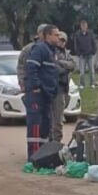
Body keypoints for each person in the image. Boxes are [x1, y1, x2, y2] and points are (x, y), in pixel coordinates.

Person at [24, 25, 60, 159]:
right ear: (48, 36)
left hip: (47, 95)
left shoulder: (52, 51)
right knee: (35, 125)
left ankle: (42, 157)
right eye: (56, 35)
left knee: (45, 125)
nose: (58, 37)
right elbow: (31, 68)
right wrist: (36, 86)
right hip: (36, 95)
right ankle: (33, 156)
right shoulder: (40, 49)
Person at [51, 31, 76, 143]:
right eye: (59, 39)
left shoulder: (67, 54)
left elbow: (72, 65)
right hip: (53, 88)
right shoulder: (51, 51)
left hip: (63, 90)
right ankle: (51, 142)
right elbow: (55, 68)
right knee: (53, 119)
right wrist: (64, 67)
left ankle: (57, 142)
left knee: (59, 119)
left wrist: (61, 62)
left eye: (63, 40)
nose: (61, 42)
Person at [17, 24, 48, 92]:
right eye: (45, 32)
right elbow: (21, 67)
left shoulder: (53, 48)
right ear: (39, 33)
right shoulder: (29, 49)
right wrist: (22, 83)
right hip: (34, 87)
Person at [74, 20, 97, 89]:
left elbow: (93, 43)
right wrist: (78, 53)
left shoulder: (90, 33)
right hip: (82, 55)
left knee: (92, 71)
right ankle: (82, 84)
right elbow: (76, 45)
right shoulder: (77, 34)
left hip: (90, 55)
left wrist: (94, 51)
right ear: (81, 26)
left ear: (87, 26)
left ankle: (92, 83)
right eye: (82, 26)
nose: (84, 27)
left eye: (85, 26)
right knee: (82, 72)